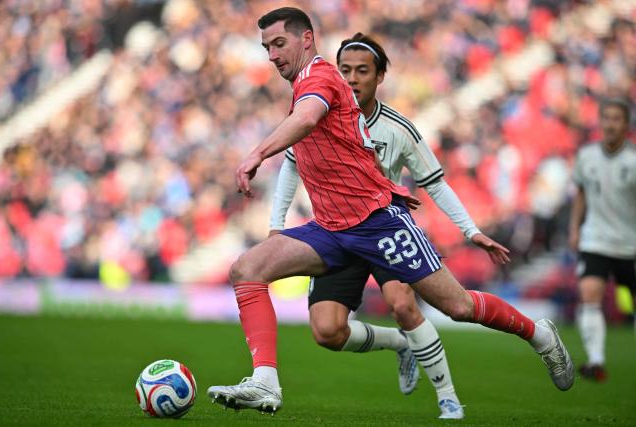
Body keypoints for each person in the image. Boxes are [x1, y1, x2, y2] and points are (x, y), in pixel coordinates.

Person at [208, 6, 574, 415]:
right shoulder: (304, 86)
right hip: (331, 228)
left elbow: (309, 118)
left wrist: (255, 154)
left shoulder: (321, 76)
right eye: (266, 48)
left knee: (459, 307)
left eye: (279, 44)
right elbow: (299, 152)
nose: (272, 55)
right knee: (250, 272)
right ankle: (265, 383)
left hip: (378, 223)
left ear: (306, 40)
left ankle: (537, 334)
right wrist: (277, 227)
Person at [267, 32, 500, 419]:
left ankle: (448, 398)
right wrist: (276, 225)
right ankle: (400, 344)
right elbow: (290, 166)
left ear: (379, 77)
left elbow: (434, 182)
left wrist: (469, 230)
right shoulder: (313, 115)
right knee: (327, 331)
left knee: (402, 303)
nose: (353, 78)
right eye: (345, 71)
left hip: (384, 228)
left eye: (362, 71)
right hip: (336, 231)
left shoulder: (398, 127)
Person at [569, 98, 636, 382]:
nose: (610, 124)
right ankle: (596, 361)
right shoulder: (586, 156)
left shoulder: (633, 161)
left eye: (616, 119)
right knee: (590, 294)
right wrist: (574, 228)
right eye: (606, 118)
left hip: (630, 244)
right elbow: (581, 193)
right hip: (595, 239)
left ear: (626, 124)